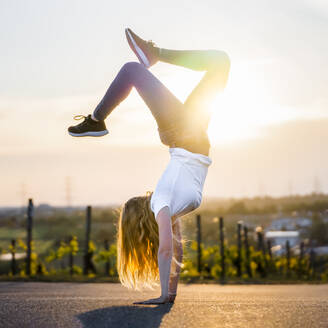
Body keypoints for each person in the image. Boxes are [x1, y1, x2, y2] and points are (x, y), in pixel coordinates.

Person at [68, 28, 230, 304]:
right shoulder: (164, 206)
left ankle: (98, 118)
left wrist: (165, 295)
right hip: (189, 134)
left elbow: (170, 250)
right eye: (139, 199)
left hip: (185, 135)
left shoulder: (166, 206)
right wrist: (168, 295)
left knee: (134, 70)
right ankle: (96, 120)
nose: (146, 194)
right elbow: (171, 251)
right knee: (219, 62)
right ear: (141, 208)